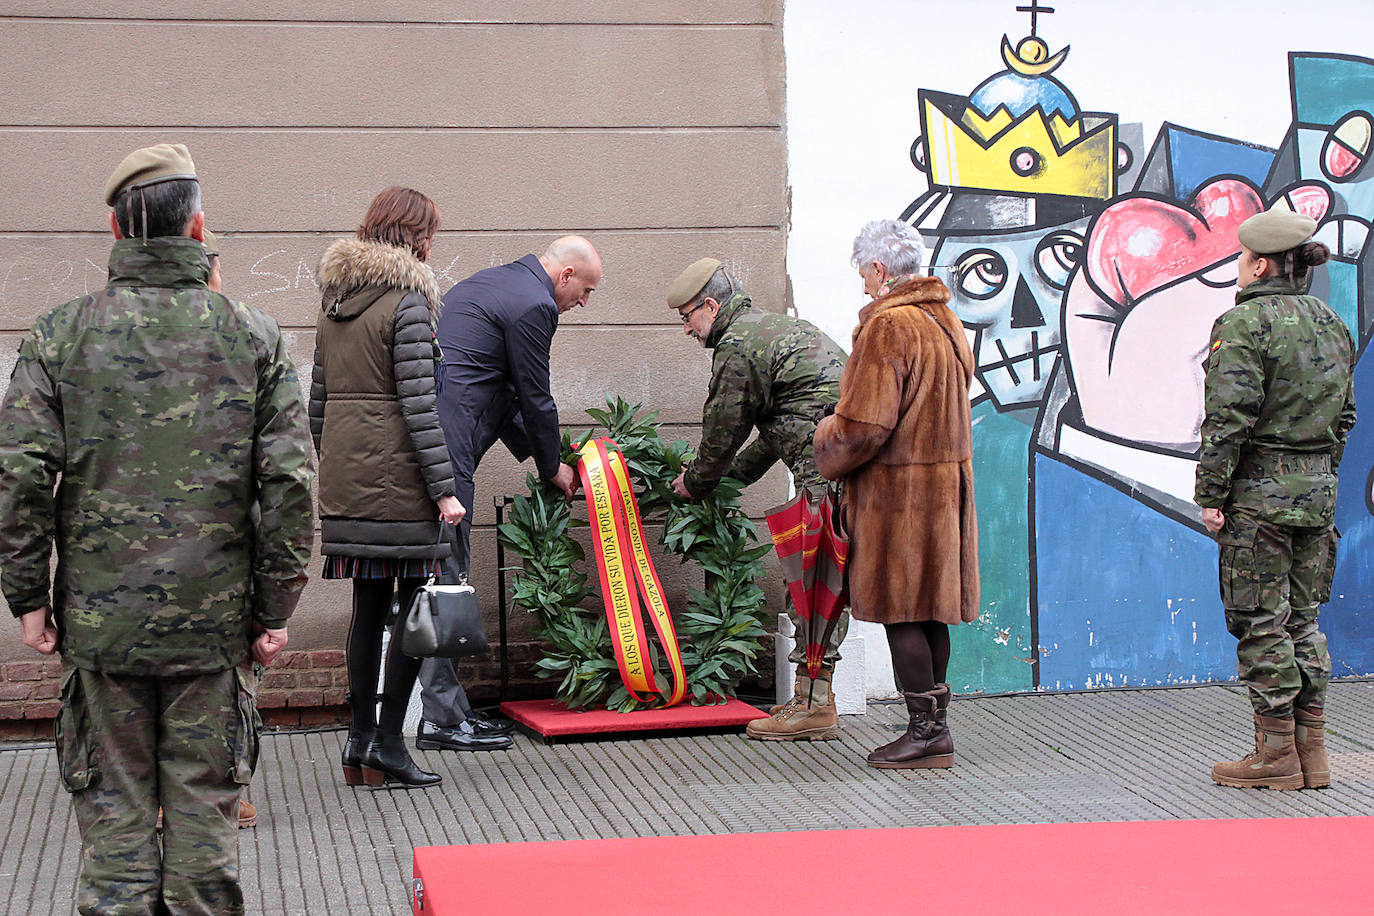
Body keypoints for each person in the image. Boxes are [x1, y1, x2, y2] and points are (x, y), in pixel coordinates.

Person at [0, 143, 314, 914]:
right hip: (214, 632)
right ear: (198, 226)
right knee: (205, 841)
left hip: (102, 633)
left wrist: (26, 599)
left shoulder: (58, 336)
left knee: (114, 840)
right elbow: (291, 486)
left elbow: (19, 476)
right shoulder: (254, 337)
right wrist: (274, 611)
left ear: (115, 229)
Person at [418, 236, 602, 752]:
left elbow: (499, 389)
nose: (583, 303)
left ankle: (439, 713)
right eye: (585, 291)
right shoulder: (536, 303)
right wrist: (553, 468)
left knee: (432, 577)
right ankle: (444, 720)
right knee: (446, 581)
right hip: (448, 453)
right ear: (564, 276)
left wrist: (544, 462)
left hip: (434, 441)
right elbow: (534, 396)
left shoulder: (492, 282)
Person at [311, 187, 467, 788]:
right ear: (414, 235)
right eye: (430, 232)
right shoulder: (407, 304)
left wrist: (331, 473)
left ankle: (357, 746)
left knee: (367, 609)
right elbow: (418, 406)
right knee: (409, 611)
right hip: (399, 481)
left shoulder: (336, 302)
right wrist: (444, 490)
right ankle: (388, 747)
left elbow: (318, 402)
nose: (434, 243)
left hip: (349, 483)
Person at [1196, 208, 1356, 791]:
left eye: (1242, 259)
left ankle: (1276, 753)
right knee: (1303, 619)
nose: (1239, 269)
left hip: (1258, 497)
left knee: (1259, 619)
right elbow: (1345, 416)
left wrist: (1212, 493)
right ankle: (1313, 752)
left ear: (1259, 263)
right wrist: (1318, 473)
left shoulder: (1243, 325)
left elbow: (1227, 420)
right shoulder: (1331, 323)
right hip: (1317, 493)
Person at [814, 219, 980, 769]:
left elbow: (864, 426)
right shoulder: (945, 322)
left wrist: (824, 438)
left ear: (880, 270)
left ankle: (924, 733)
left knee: (901, 610)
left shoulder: (889, 328)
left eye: (864, 273)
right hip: (942, 492)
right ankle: (936, 731)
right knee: (929, 608)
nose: (863, 284)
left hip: (897, 499)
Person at [663, 257, 848, 740]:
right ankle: (815, 700)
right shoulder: (773, 329)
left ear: (710, 305)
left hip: (828, 469)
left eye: (687, 317)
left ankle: (814, 706)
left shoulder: (737, 345)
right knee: (829, 576)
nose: (686, 329)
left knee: (813, 578)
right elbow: (772, 433)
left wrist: (697, 482)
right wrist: (731, 480)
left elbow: (723, 429)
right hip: (842, 463)